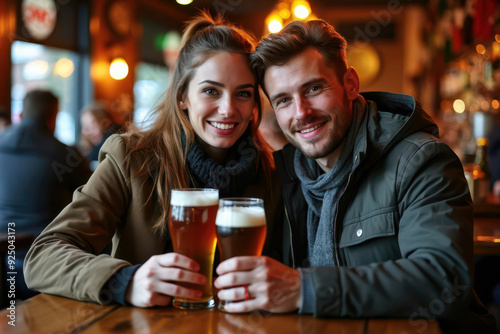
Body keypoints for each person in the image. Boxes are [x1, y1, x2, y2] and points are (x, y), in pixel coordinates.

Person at [213, 20, 497, 333]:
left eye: (313, 89)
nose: (301, 112)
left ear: (350, 83)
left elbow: (445, 280)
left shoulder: (420, 159)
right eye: (284, 100)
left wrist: (304, 289)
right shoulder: (288, 177)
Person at [24, 12, 282, 308]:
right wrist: (126, 280)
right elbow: (43, 256)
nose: (228, 109)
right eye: (211, 90)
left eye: (243, 94)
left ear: (253, 105)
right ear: (182, 96)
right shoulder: (132, 157)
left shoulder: (272, 171)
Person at [0, 89, 92, 299]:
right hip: (44, 263)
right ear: (54, 117)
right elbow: (95, 197)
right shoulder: (64, 154)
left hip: (4, 258)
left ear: (22, 113)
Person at [79, 102, 117, 168]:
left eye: (93, 126)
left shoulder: (113, 146)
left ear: (106, 125)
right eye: (85, 127)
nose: (87, 132)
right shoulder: (86, 150)